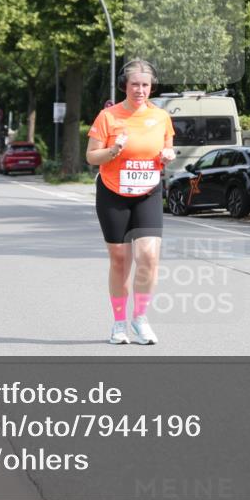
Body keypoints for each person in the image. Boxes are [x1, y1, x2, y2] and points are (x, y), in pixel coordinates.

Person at [86, 59, 175, 345]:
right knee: (120, 260)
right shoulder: (108, 117)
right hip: (113, 193)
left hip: (148, 192)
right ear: (125, 85)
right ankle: (119, 323)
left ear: (151, 87)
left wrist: (168, 156)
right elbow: (91, 157)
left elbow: (167, 148)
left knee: (149, 257)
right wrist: (113, 150)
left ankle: (140, 319)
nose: (140, 90)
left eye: (145, 85)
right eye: (134, 84)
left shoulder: (161, 117)